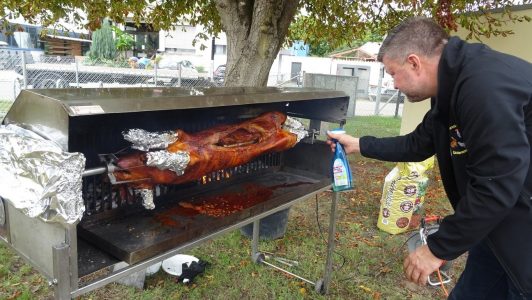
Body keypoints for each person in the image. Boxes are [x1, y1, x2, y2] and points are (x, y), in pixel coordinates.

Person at [327, 17, 532, 299]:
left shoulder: (483, 88)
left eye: (393, 74)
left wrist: (438, 248)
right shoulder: (450, 86)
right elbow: (419, 143)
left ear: (414, 62)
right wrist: (359, 144)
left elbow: (497, 184)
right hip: (498, 222)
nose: (394, 84)